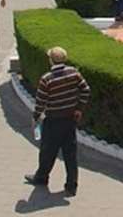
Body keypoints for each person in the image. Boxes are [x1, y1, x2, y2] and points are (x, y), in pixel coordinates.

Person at [27, 46, 91, 195]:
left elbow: (41, 102)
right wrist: (79, 108)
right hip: (70, 120)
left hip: (53, 120)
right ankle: (71, 186)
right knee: (70, 154)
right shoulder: (74, 73)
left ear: (51, 60)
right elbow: (85, 90)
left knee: (47, 151)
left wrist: (35, 117)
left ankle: (41, 177)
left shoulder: (47, 79)